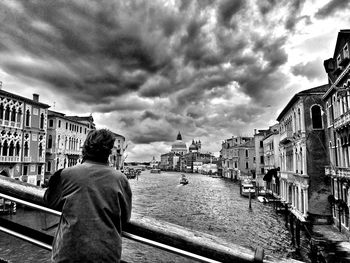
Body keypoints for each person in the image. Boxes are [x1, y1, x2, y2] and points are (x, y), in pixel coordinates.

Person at [44, 129, 132, 263]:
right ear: (108, 152)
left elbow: (49, 201)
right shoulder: (120, 179)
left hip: (69, 253)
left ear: (84, 149)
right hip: (105, 255)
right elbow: (125, 218)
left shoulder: (65, 175)